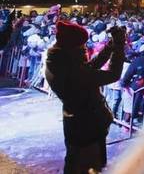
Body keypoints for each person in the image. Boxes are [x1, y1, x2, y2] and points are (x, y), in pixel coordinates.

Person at [45, 20, 126, 174]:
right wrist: (119, 45)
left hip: (79, 122)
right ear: (72, 47)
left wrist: (110, 47)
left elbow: (89, 67)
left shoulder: (60, 61)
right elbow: (113, 74)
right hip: (86, 126)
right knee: (86, 167)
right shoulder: (73, 72)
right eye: (82, 46)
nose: (84, 49)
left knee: (76, 163)